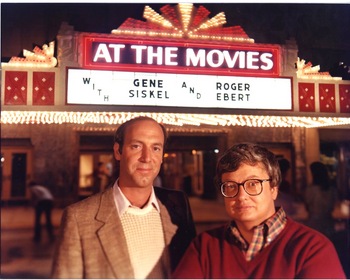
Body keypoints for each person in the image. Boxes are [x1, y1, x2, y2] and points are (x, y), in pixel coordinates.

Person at [172, 143, 345, 279]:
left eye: (253, 184)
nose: (241, 196)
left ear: (274, 189)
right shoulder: (205, 246)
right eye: (231, 186)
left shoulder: (312, 249)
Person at [51, 116, 196, 278]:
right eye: (136, 146)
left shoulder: (178, 205)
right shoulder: (78, 218)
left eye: (156, 148)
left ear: (162, 155)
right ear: (118, 151)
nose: (147, 158)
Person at [304, 161, 337, 237]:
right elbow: (332, 207)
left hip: (314, 224)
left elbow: (307, 207)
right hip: (328, 223)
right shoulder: (331, 189)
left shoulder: (311, 190)